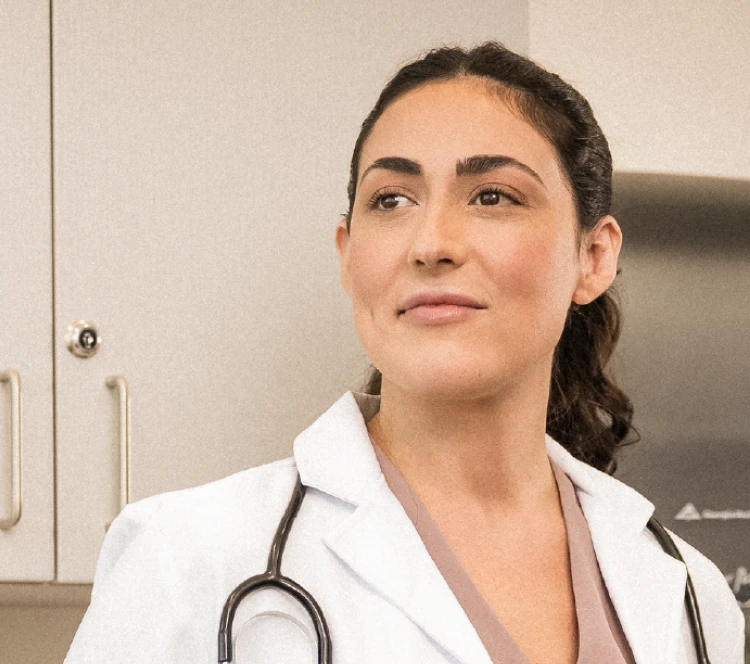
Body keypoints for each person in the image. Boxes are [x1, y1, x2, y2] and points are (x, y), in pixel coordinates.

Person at [64, 41, 744, 663]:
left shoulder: (685, 591)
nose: (431, 242)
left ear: (593, 257)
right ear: (348, 253)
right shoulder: (190, 560)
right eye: (391, 199)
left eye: (492, 196)